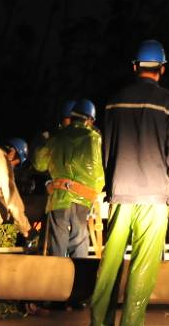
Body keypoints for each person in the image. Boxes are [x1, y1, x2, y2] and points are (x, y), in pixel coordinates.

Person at [90, 39, 169, 326]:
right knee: (143, 267)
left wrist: (110, 186)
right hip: (155, 199)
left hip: (121, 193)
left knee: (109, 265)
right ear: (162, 68)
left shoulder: (113, 102)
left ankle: (98, 323)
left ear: (135, 67)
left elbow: (106, 149)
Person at [33, 98, 104, 258]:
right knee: (80, 240)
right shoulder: (94, 137)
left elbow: (39, 164)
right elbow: (99, 175)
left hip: (59, 197)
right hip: (84, 198)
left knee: (57, 242)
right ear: (90, 119)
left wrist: (41, 141)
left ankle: (58, 279)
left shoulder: (56, 137)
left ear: (71, 117)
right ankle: (79, 279)